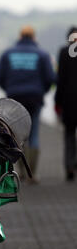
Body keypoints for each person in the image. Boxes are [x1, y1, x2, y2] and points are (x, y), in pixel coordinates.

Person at [0, 26, 56, 182]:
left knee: (17, 135)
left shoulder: (8, 54)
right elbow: (51, 78)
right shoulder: (42, 54)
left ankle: (21, 172)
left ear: (20, 36)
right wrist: (42, 90)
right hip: (35, 98)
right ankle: (32, 173)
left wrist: (8, 87)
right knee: (33, 134)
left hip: (14, 99)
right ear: (34, 37)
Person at [55, 26, 77, 181]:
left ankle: (69, 166)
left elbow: (60, 79)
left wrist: (57, 102)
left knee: (69, 135)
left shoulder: (64, 52)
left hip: (69, 102)